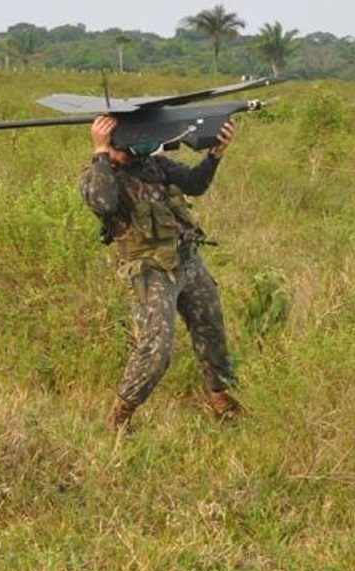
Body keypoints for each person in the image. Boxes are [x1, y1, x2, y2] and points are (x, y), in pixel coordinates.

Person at [80, 115, 246, 432]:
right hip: (150, 269)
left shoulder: (155, 165)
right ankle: (120, 415)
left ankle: (221, 399)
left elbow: (195, 184)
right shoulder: (98, 176)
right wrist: (101, 152)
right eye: (127, 145)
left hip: (187, 259)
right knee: (157, 348)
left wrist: (215, 154)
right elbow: (103, 203)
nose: (134, 151)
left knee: (211, 329)